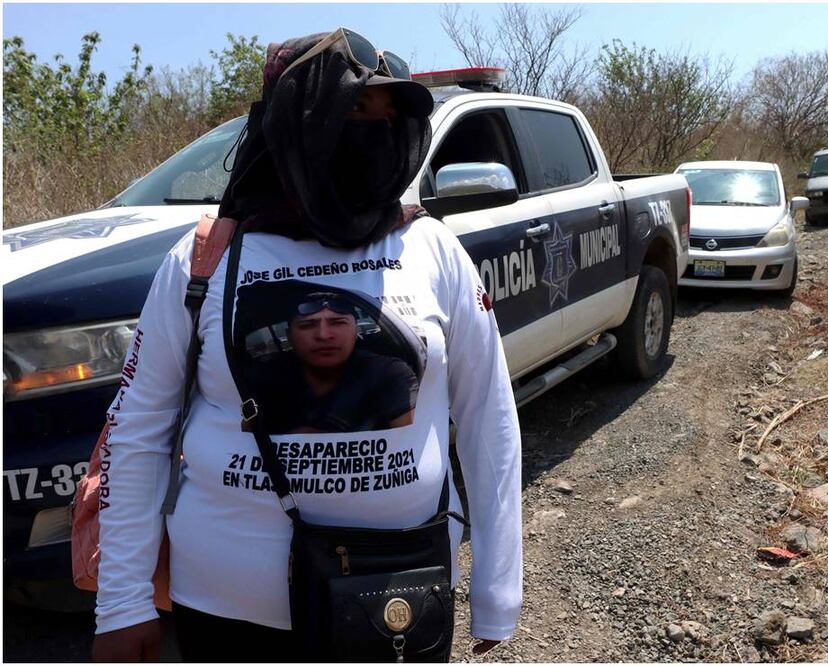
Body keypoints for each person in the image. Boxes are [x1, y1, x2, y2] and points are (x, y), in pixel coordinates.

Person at [92, 28, 521, 662]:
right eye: (352, 110)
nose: (373, 131)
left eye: (386, 114)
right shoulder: (206, 259)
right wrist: (122, 602)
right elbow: (138, 427)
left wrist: (498, 588)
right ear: (296, 125)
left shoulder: (432, 249)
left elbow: (489, 416)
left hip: (397, 597)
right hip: (225, 612)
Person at [268, 291, 419, 433]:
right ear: (289, 336)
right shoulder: (267, 380)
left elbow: (415, 446)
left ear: (356, 330)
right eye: (307, 326)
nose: (324, 335)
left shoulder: (387, 373)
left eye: (337, 323)